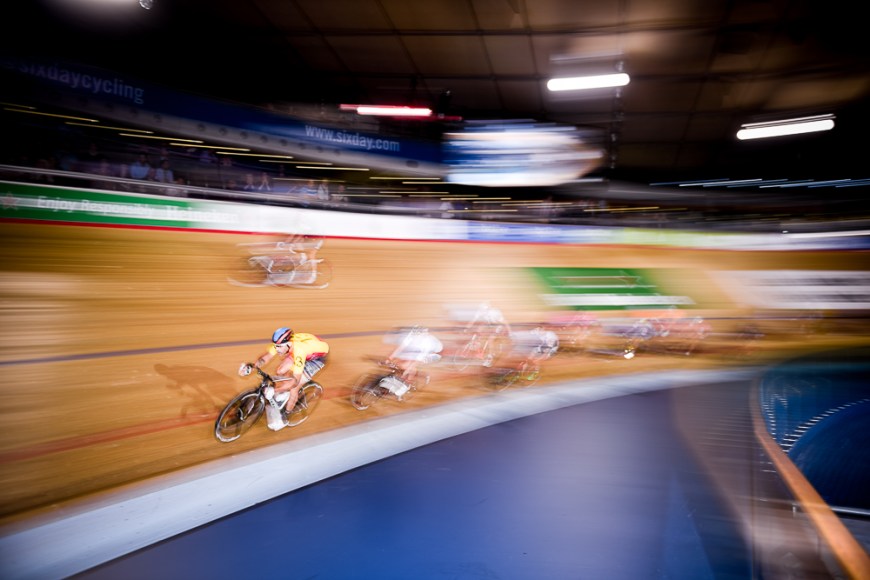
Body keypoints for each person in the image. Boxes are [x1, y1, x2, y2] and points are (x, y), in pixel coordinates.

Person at [239, 327, 329, 430]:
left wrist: (275, 390)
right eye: (276, 346)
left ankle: (286, 415)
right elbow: (266, 357)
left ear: (288, 343)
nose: (277, 349)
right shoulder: (282, 343)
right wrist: (252, 366)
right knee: (280, 371)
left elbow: (295, 382)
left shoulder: (299, 352)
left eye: (279, 347)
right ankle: (284, 393)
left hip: (317, 359)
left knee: (294, 388)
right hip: (307, 347)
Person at [382, 326, 443, 398]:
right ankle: (402, 376)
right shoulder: (409, 337)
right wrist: (389, 358)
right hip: (412, 352)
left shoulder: (426, 343)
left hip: (428, 354)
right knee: (398, 364)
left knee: (407, 367)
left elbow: (418, 358)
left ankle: (407, 383)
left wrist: (408, 368)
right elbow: (399, 348)